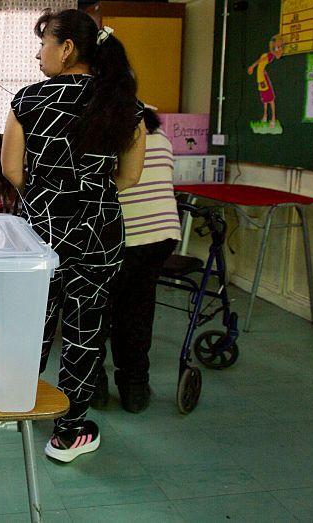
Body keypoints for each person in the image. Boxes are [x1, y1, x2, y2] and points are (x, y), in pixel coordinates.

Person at [2, 9, 145, 464]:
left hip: (41, 231)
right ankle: (69, 432)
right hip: (100, 231)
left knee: (32, 322)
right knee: (85, 329)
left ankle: (17, 407)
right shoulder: (124, 105)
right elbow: (131, 176)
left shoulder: (27, 101)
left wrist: (48, 196)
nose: (38, 52)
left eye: (44, 43)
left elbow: (10, 171)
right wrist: (91, 194)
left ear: (66, 50)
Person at [95, 107, 181, 413]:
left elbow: (105, 184)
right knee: (137, 311)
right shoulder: (163, 139)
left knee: (98, 312)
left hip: (122, 235)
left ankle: (94, 387)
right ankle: (135, 389)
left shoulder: (111, 133)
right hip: (162, 235)